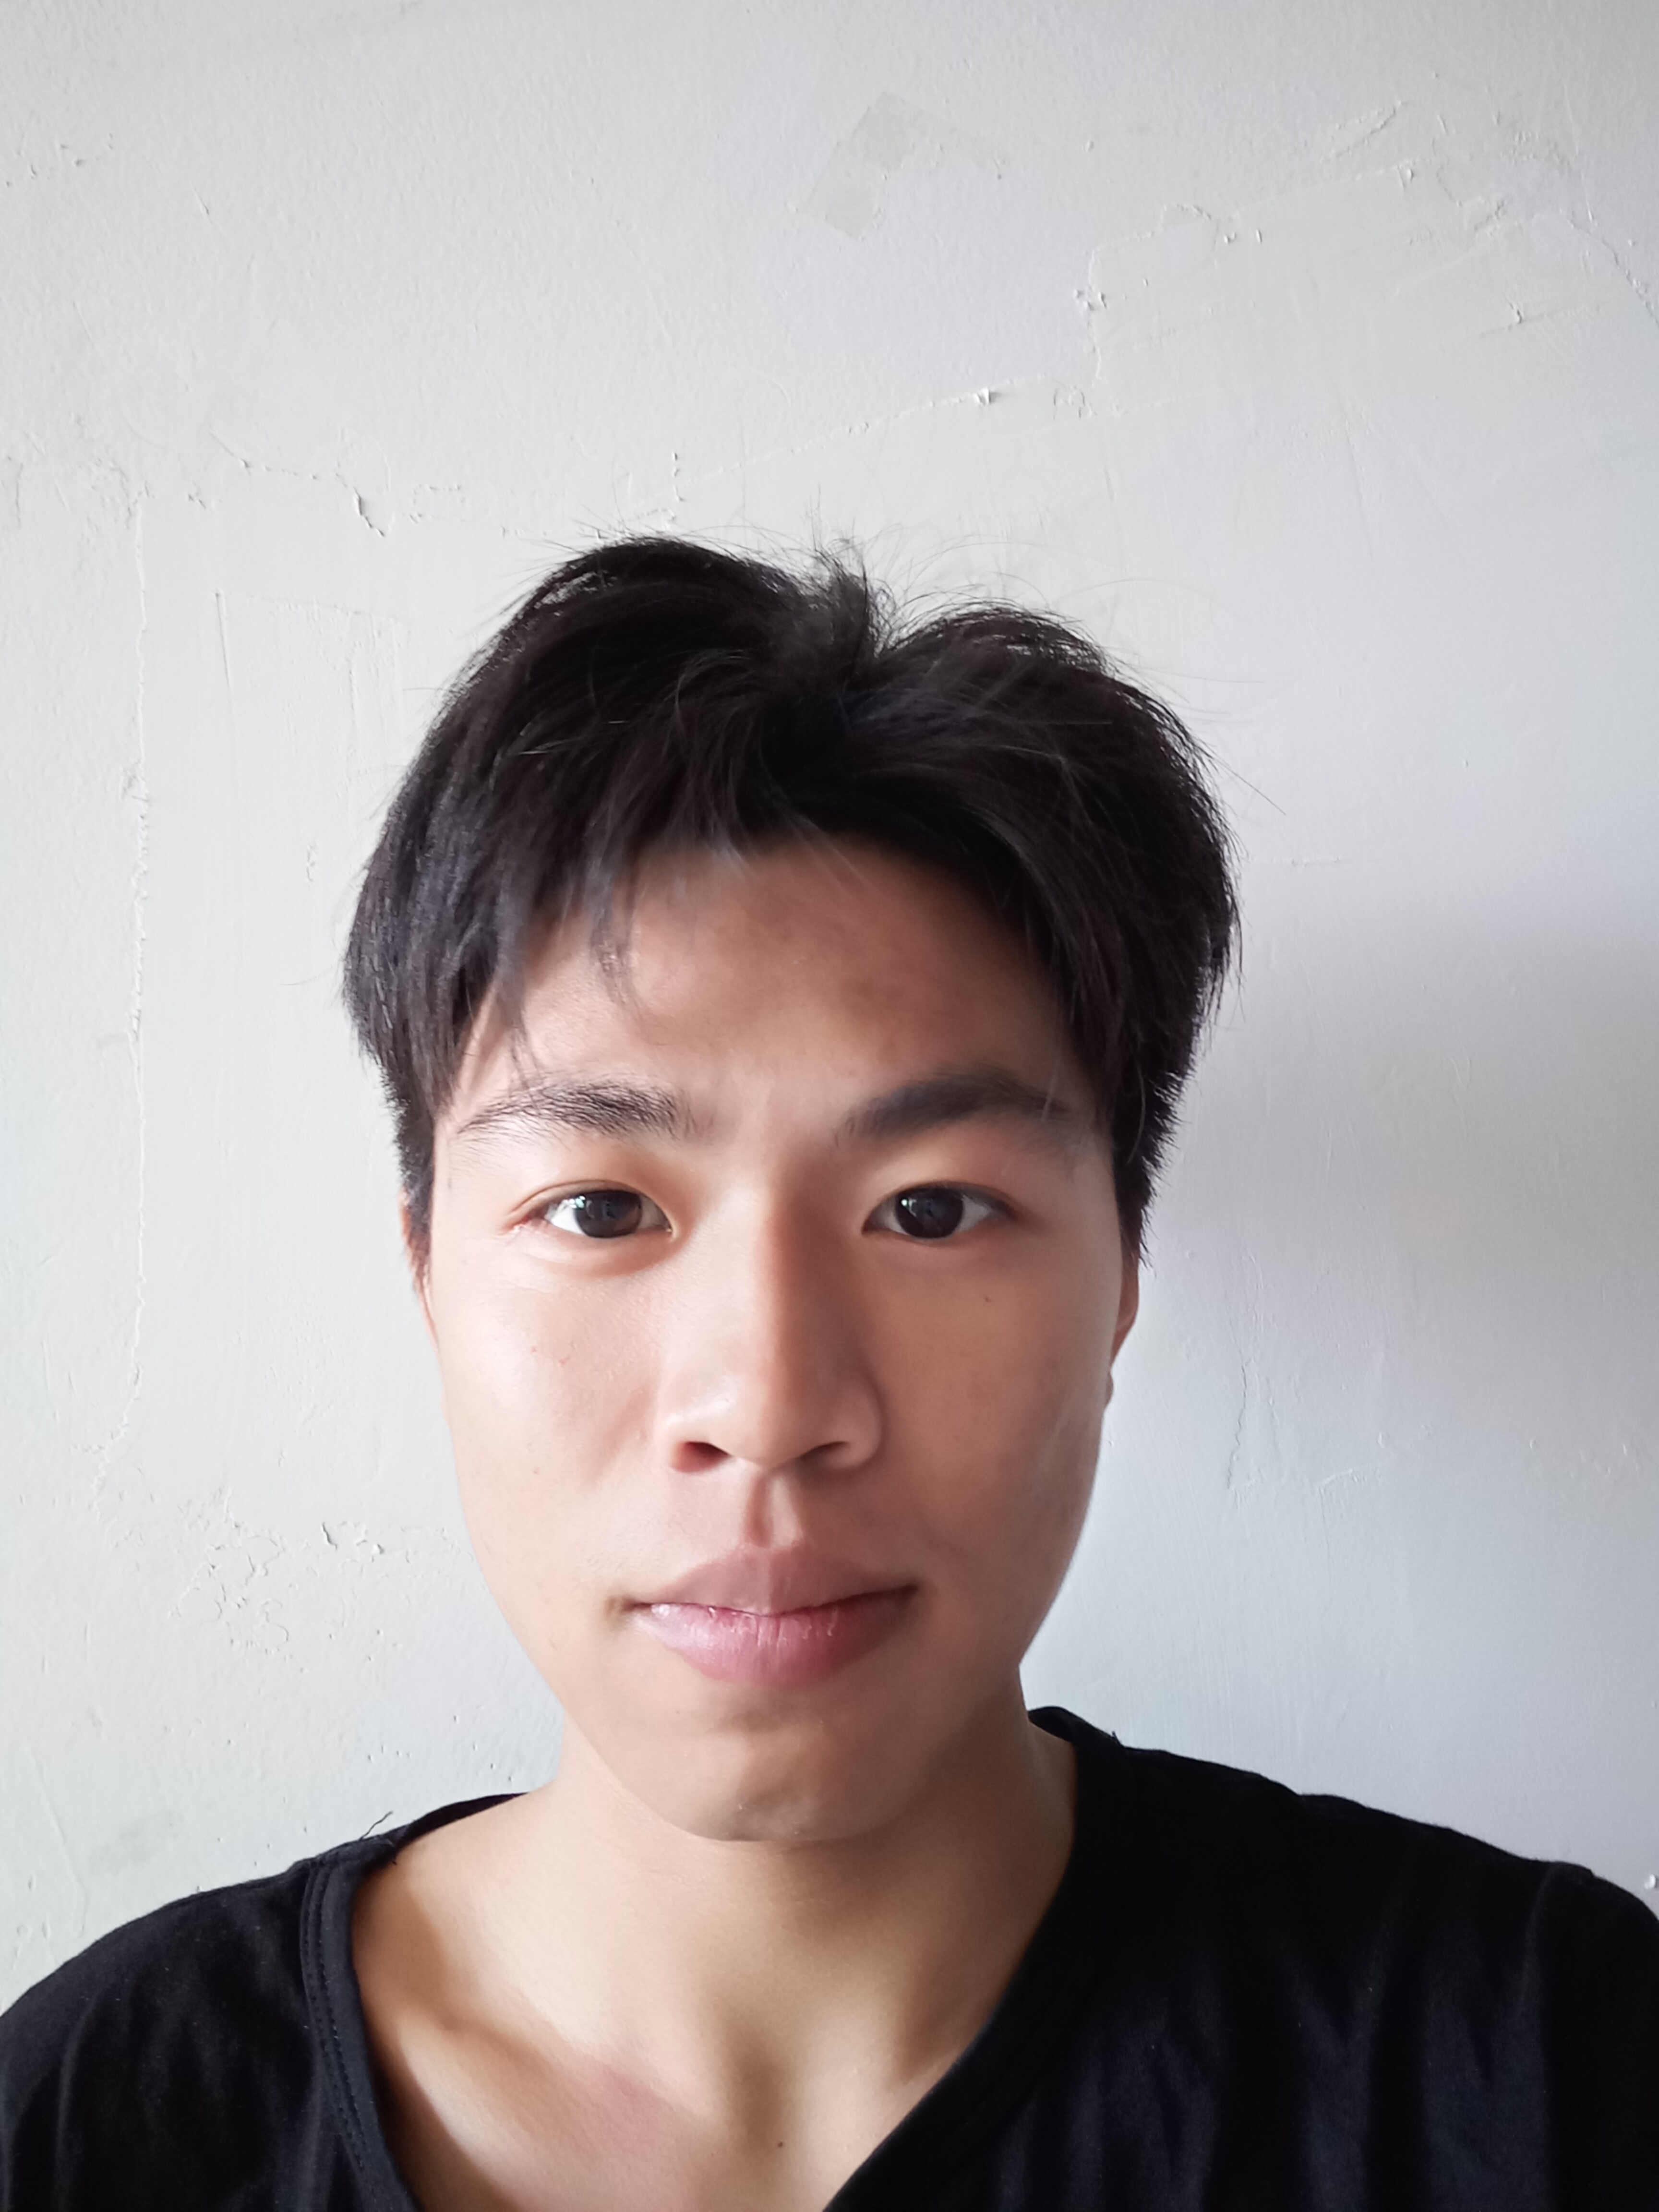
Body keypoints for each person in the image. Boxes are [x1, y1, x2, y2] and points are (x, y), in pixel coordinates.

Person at [1, 538, 1654, 2210]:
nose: (771, 1410)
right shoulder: (89, 2126)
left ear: (1122, 1278)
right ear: (428, 1270)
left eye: (930, 1210)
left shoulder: (1545, 2074)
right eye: (602, 1210)